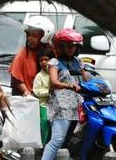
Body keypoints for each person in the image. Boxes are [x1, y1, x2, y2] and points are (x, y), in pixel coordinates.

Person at [41, 28, 88, 160]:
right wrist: (70, 86)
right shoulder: (54, 63)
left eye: (73, 46)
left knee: (67, 142)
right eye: (67, 46)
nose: (70, 49)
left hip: (76, 106)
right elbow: (54, 82)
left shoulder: (78, 62)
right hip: (61, 107)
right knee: (57, 140)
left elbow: (86, 80)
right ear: (60, 46)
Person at [9, 16, 54, 96]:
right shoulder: (23, 54)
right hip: (30, 98)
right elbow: (16, 79)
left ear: (45, 36)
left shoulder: (52, 52)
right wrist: (27, 92)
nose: (30, 38)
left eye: (34, 36)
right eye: (29, 35)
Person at [33, 46, 55, 145]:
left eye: (46, 59)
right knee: (45, 121)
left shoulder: (56, 73)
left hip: (56, 105)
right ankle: (44, 144)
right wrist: (48, 91)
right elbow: (37, 91)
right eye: (41, 60)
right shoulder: (39, 76)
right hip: (44, 105)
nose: (44, 62)